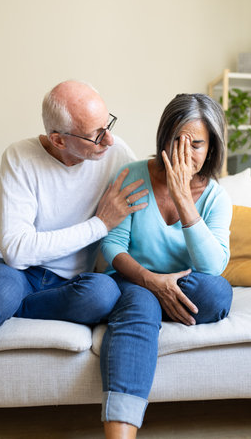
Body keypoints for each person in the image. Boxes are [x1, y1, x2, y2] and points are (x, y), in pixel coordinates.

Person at [100, 93, 233, 438]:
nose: (185, 153)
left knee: (217, 293)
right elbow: (112, 244)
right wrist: (150, 280)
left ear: (212, 147)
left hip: (186, 285)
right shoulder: (132, 174)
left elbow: (212, 266)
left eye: (196, 144)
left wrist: (183, 197)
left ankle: (152, 303)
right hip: (134, 279)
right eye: (177, 141)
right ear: (163, 139)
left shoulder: (216, 197)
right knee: (140, 301)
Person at [0, 81, 149, 345]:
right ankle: (7, 303)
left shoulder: (116, 154)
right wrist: (100, 225)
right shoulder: (19, 157)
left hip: (72, 282)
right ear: (58, 139)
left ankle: (16, 308)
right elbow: (16, 251)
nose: (109, 139)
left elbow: (151, 198)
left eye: (108, 125)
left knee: (103, 294)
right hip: (16, 272)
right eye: (96, 134)